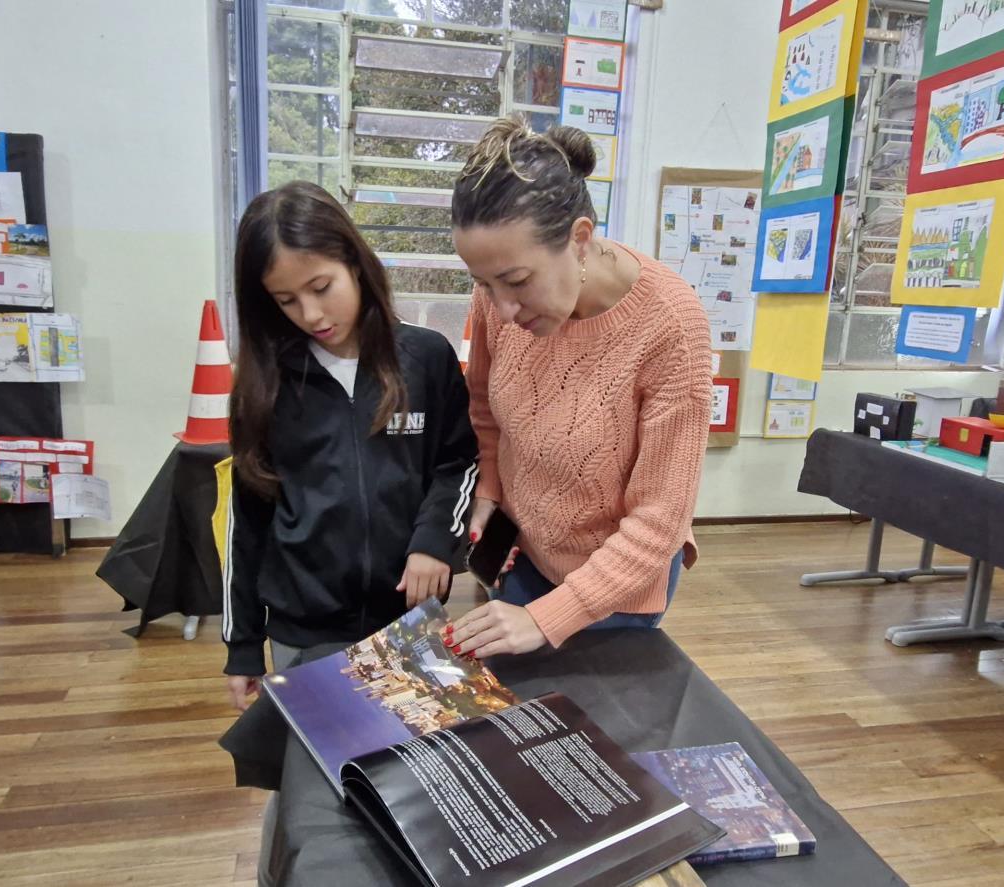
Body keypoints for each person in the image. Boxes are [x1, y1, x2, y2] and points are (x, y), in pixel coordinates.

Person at [444, 117, 711, 661]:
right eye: (483, 285)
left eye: (517, 283)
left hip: (614, 588)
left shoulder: (671, 328)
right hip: (519, 553)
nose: (502, 309)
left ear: (580, 238)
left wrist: (547, 618)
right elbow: (485, 414)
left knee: (594, 735)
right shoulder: (499, 298)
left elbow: (660, 520)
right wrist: (489, 496)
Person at [221, 181, 478, 712]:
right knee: (316, 771)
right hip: (302, 628)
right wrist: (243, 645)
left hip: (410, 618)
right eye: (286, 300)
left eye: (321, 286)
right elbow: (246, 525)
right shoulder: (262, 387)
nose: (311, 314)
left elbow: (459, 462)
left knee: (411, 765)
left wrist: (435, 542)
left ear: (355, 262)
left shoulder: (426, 357)